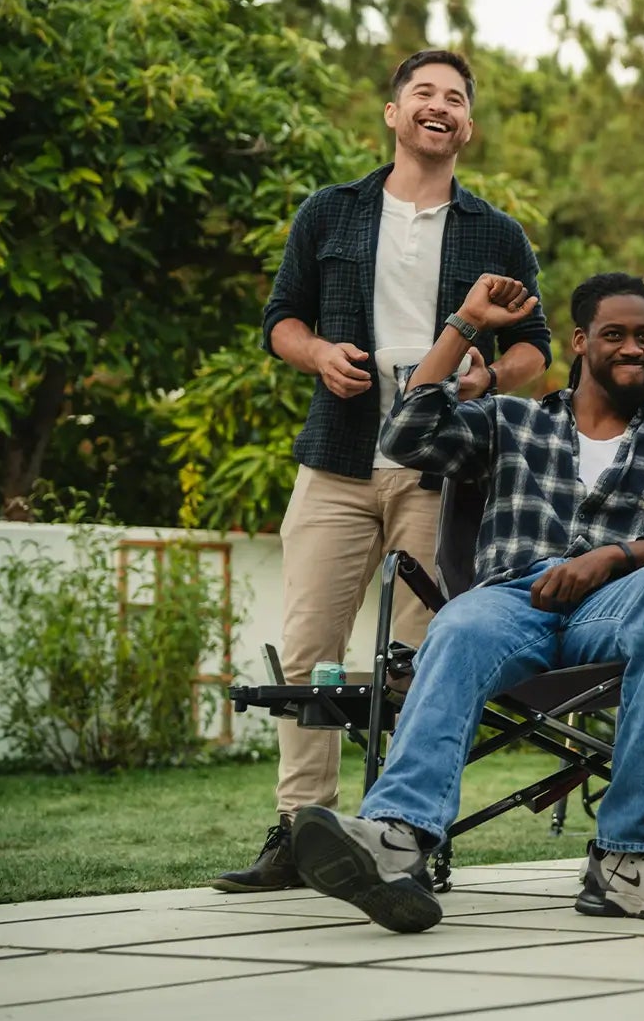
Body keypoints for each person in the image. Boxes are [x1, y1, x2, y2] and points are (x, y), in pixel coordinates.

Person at [289, 272, 644, 933]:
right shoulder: (512, 420)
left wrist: (614, 557)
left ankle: (629, 862)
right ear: (582, 343)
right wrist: (464, 324)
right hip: (515, 599)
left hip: (622, 608)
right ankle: (396, 838)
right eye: (614, 335)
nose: (634, 348)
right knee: (462, 620)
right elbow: (405, 437)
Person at [216, 50, 552, 893]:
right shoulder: (330, 213)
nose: (440, 107)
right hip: (336, 460)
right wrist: (319, 352)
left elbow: (537, 352)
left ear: (466, 127)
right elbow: (278, 321)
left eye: (456, 99)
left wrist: (485, 376)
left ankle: (399, 834)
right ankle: (299, 829)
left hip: (440, 475)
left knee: (421, 658)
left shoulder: (497, 233)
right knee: (306, 649)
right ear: (394, 114)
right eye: (425, 94)